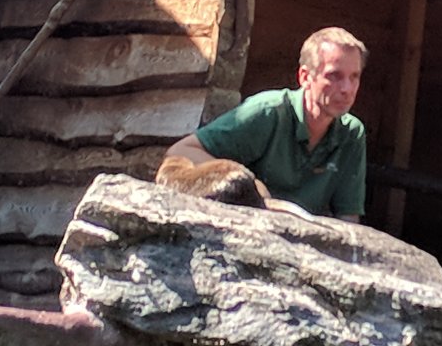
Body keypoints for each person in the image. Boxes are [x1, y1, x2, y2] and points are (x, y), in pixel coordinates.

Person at [157, 27, 368, 221]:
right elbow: (181, 151)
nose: (347, 88)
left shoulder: (352, 133)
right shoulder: (267, 112)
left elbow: (349, 218)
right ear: (305, 77)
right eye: (334, 76)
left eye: (355, 77)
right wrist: (250, 187)